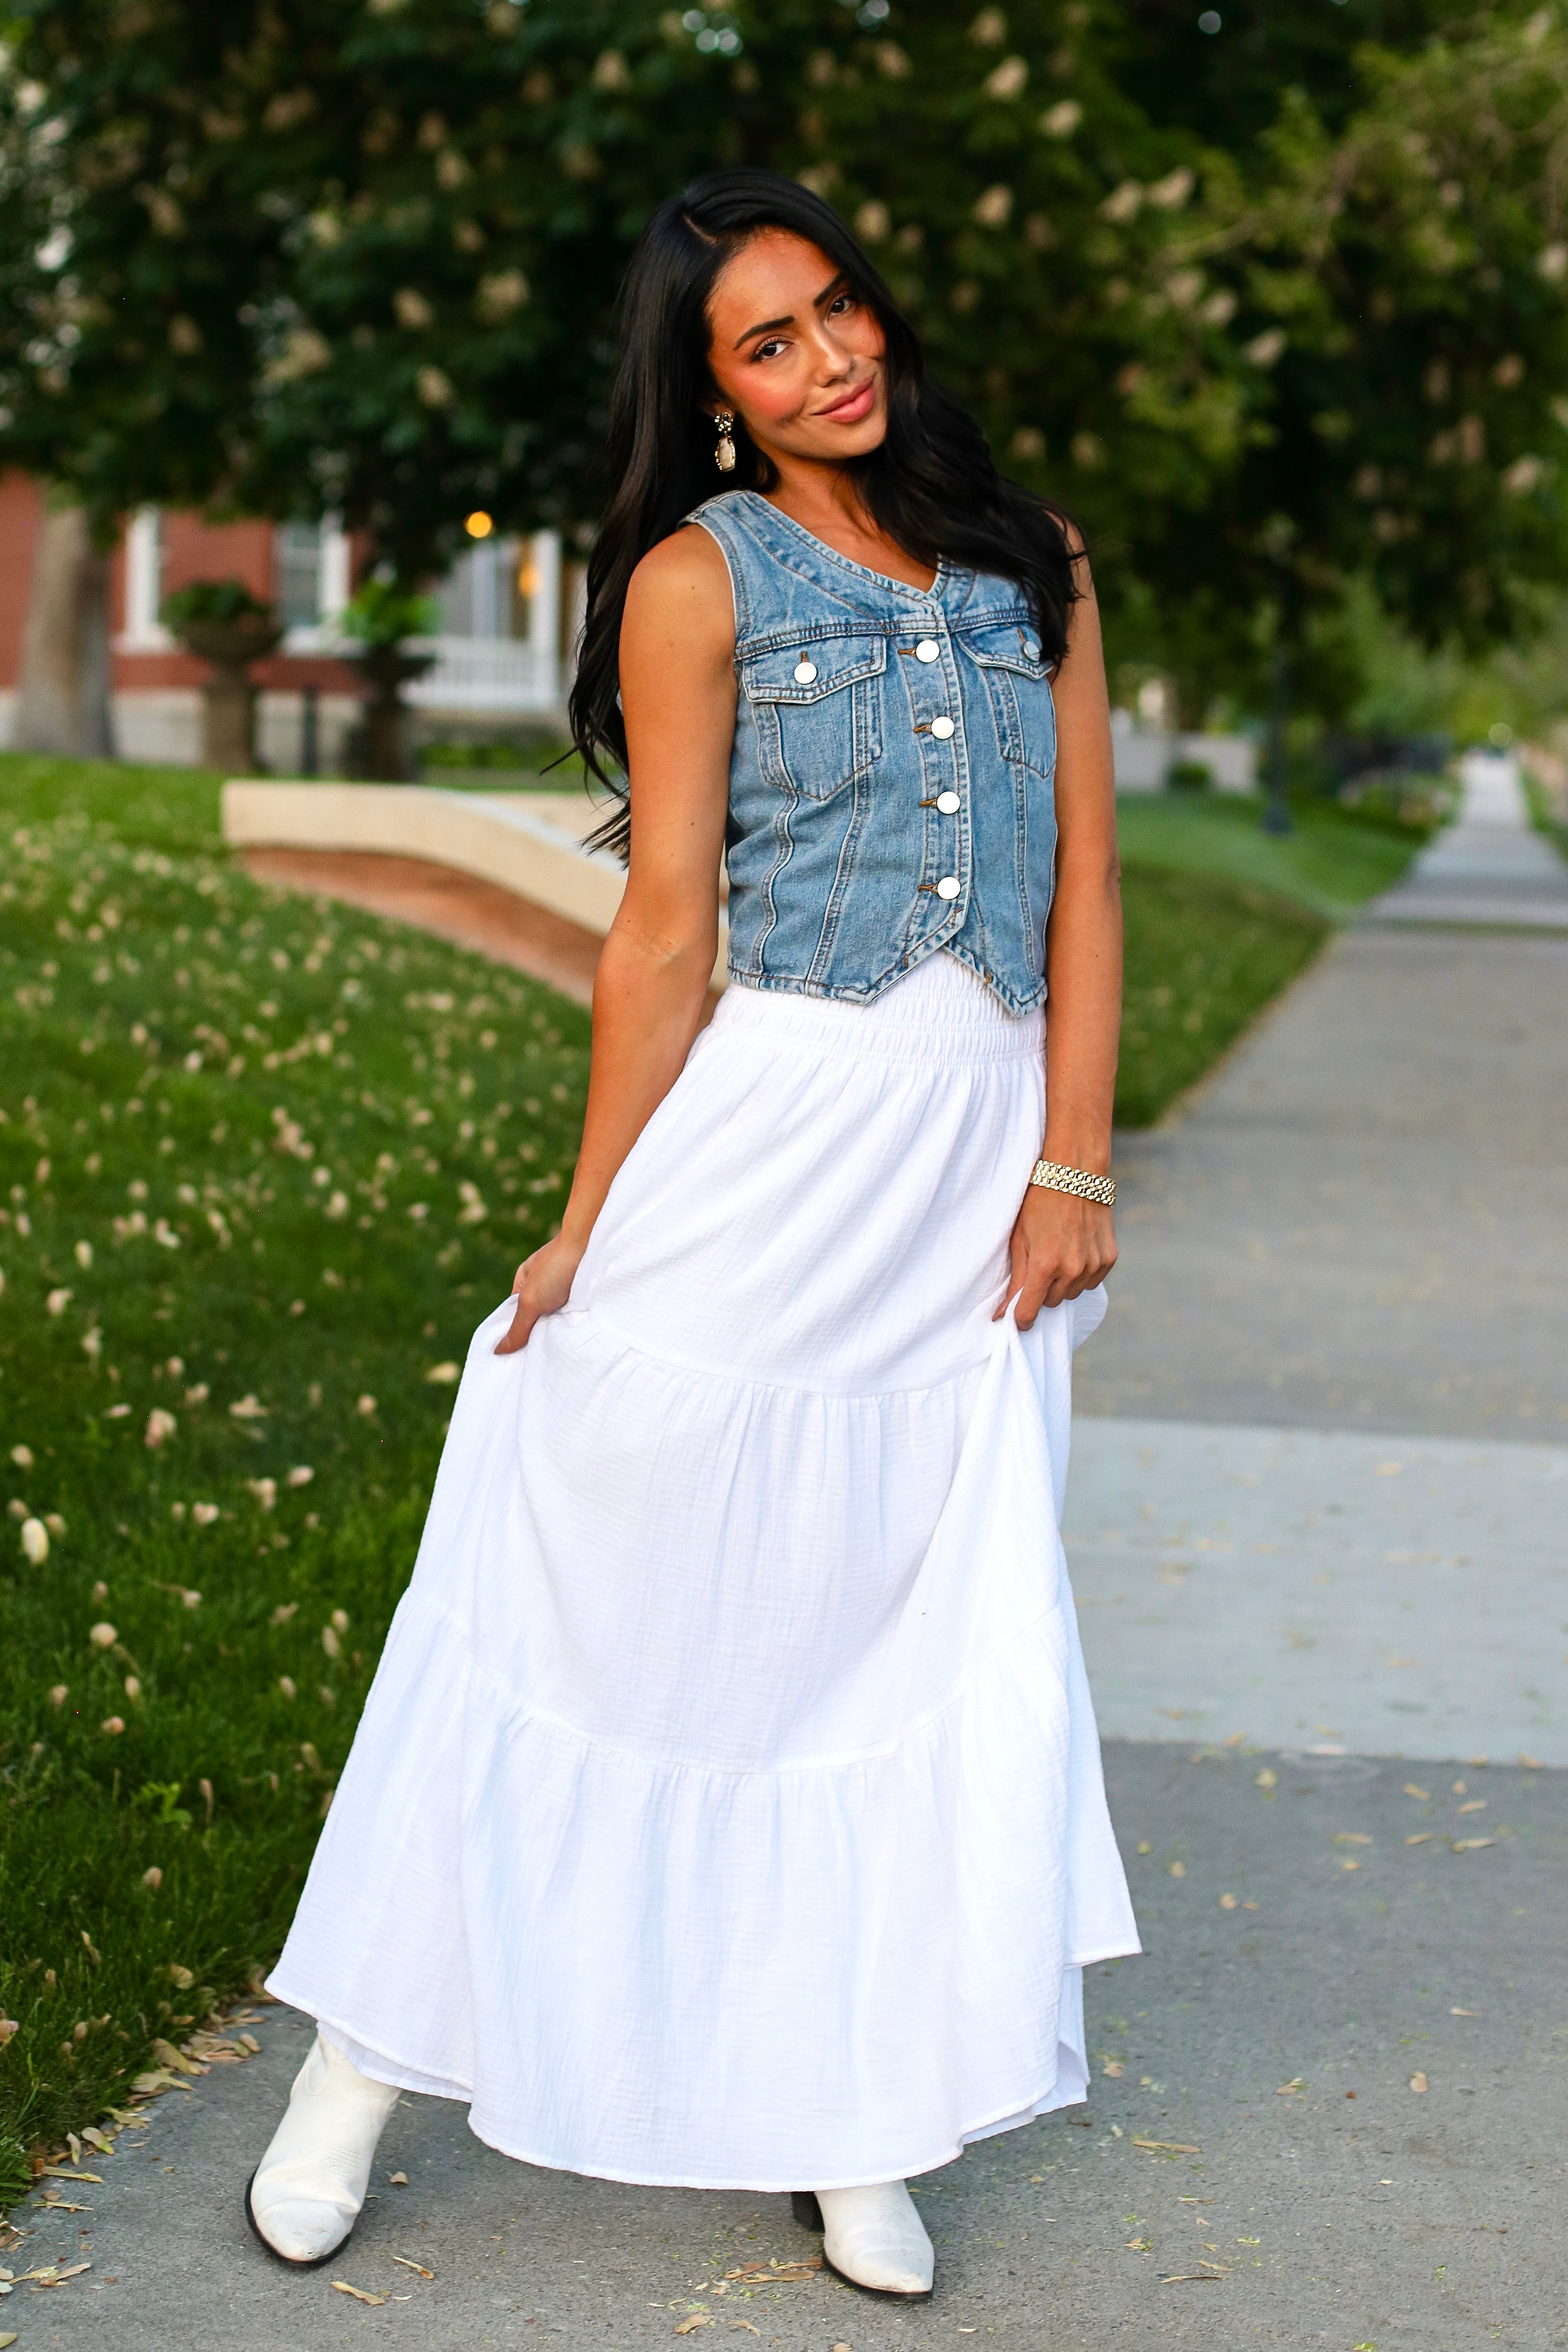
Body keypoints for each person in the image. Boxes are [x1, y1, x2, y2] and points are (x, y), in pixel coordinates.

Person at [248, 166, 1138, 2301]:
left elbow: (1093, 882)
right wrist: (586, 1225)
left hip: (974, 1164)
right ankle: (365, 2061)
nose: (833, 359)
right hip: (775, 1143)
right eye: (772, 341)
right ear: (715, 389)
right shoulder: (693, 578)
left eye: (842, 309)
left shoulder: (1037, 562)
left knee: (892, 1635)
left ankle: (848, 2112)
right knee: (603, 1594)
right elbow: (662, 932)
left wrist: (1076, 1161)